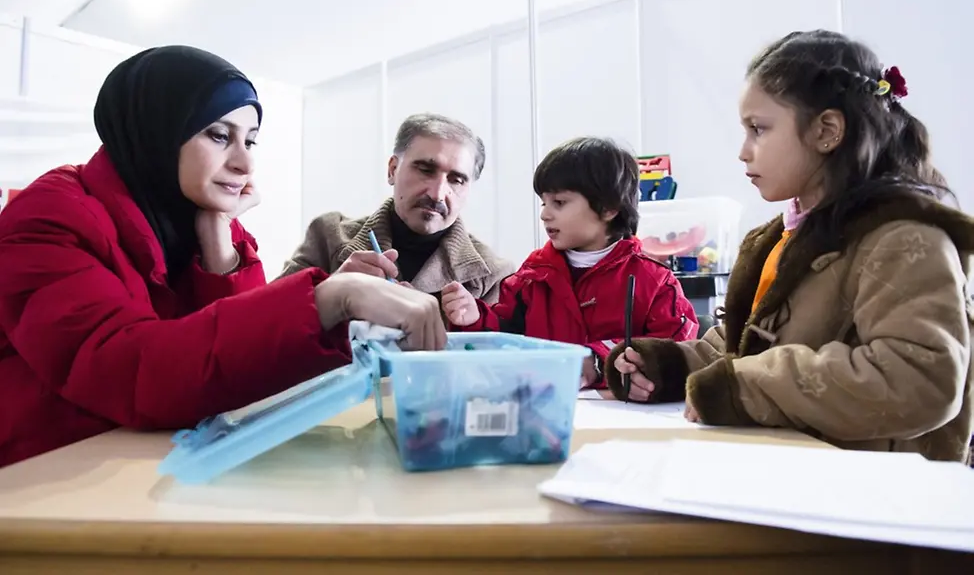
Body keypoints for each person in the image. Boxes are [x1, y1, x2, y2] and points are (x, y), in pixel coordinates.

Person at [0, 46, 445, 468]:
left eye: (250, 141)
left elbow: (241, 379)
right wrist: (329, 298)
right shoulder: (49, 218)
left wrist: (218, 244)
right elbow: (132, 371)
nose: (245, 165)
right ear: (159, 129)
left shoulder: (195, 216)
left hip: (137, 463)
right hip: (37, 481)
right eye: (219, 136)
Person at [607, 30, 974, 464]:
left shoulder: (903, 239)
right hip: (784, 479)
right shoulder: (780, 239)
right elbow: (743, 348)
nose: (743, 151)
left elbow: (918, 381)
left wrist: (743, 387)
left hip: (867, 507)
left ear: (827, 131)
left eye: (758, 129)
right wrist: (667, 368)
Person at [442, 137, 698, 394]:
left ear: (608, 208)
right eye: (544, 202)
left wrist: (596, 361)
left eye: (559, 202)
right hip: (544, 409)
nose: (545, 214)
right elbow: (505, 336)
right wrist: (474, 318)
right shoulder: (532, 275)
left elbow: (678, 350)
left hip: (623, 416)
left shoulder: (653, 281)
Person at [281, 113, 514, 303]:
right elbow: (265, 324)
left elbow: (498, 359)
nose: (437, 194)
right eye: (425, 170)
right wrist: (331, 292)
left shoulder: (494, 275)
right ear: (393, 170)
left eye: (456, 180)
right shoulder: (328, 236)